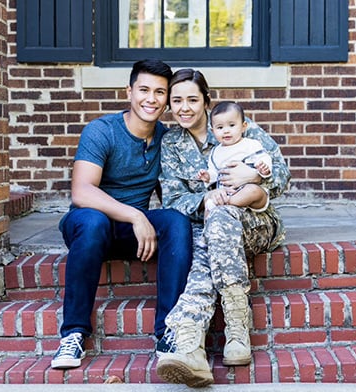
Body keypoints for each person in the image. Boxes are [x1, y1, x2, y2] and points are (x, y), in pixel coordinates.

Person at [51, 60, 193, 370]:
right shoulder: (102, 130)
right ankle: (73, 334)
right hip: (90, 226)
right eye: (144, 90)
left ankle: (169, 331)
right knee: (93, 221)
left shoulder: (166, 139)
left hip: (130, 234)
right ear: (129, 92)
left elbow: (173, 194)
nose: (151, 99)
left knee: (176, 222)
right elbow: (82, 191)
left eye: (160, 92)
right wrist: (135, 215)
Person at [155, 68, 290, 387]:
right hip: (212, 225)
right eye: (176, 101)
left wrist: (254, 176)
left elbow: (282, 174)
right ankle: (231, 339)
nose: (184, 107)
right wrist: (206, 198)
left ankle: (189, 340)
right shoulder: (172, 143)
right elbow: (172, 198)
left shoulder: (238, 126)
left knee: (212, 234)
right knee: (214, 228)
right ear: (169, 106)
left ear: (206, 101)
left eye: (192, 99)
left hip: (256, 220)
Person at [197, 100, 273, 218]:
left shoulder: (251, 144)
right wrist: (207, 176)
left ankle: (228, 203)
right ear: (213, 131)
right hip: (227, 192)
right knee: (209, 204)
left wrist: (263, 168)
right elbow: (214, 172)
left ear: (243, 127)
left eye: (232, 125)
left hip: (250, 195)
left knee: (253, 190)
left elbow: (263, 157)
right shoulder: (216, 152)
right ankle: (206, 232)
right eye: (220, 127)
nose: (226, 130)